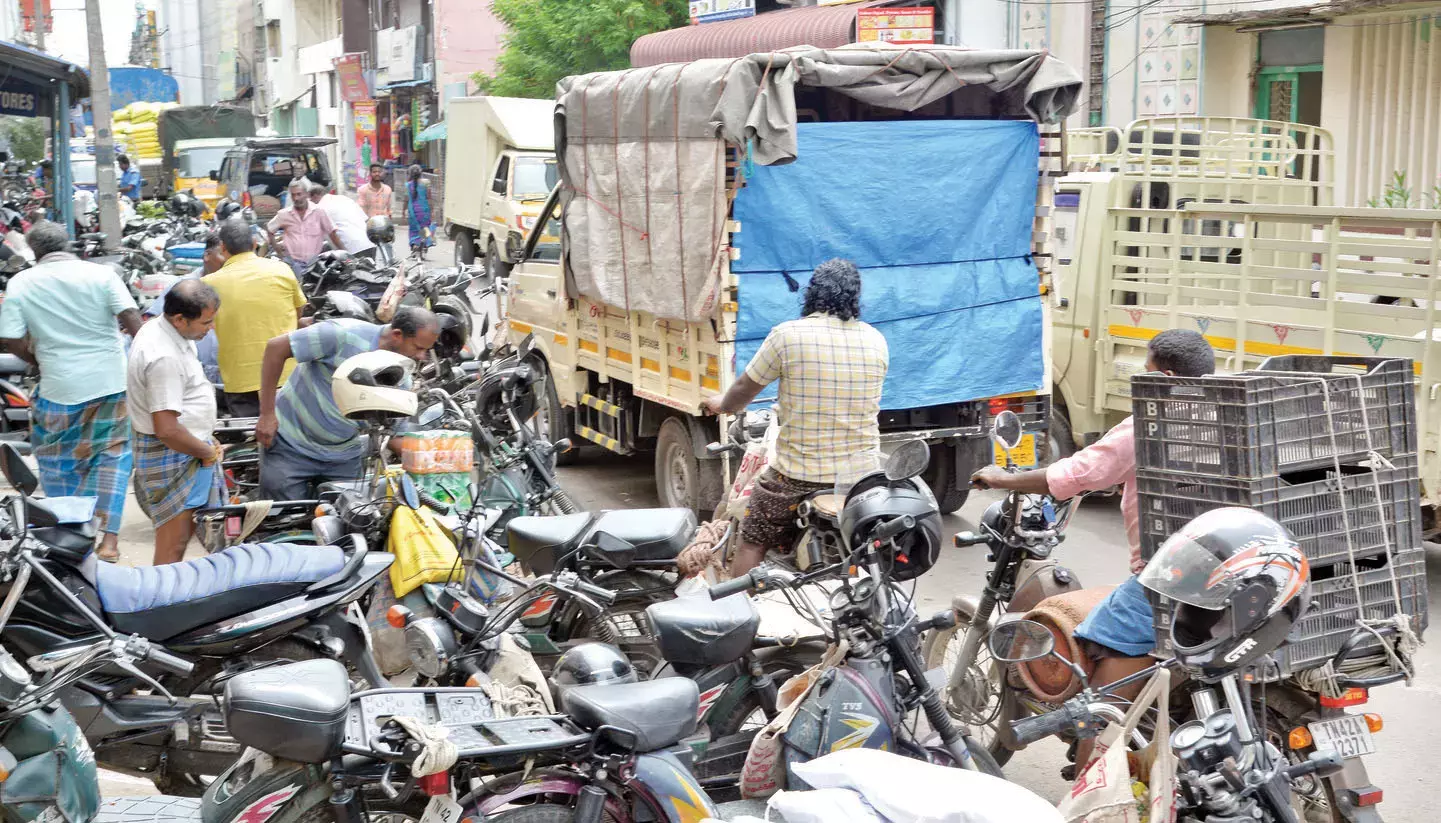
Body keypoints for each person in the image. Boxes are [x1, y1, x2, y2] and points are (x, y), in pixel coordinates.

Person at [971, 328, 1216, 763]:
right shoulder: (1228, 415)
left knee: (1102, 650)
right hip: (1235, 572)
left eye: (1147, 371)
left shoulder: (1150, 422)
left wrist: (1002, 478)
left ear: (1167, 375)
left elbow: (1078, 474)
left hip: (1171, 576)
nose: (1142, 380)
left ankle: (1092, 769)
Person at [703, 259, 888, 576]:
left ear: (812, 294)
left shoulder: (787, 336)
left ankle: (736, 612)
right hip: (860, 481)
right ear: (855, 297)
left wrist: (721, 404)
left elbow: (745, 388)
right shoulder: (876, 340)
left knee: (753, 537)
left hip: (796, 479)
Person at [0, 221, 142, 562]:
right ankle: (109, 541)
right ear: (70, 244)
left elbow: (9, 337)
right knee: (112, 459)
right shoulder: (102, 274)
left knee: (58, 462)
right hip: (111, 383)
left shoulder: (22, 282)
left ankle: (72, 536)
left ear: (35, 251)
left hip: (59, 385)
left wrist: (34, 359)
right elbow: (134, 322)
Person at [255, 306, 439, 500]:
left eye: (426, 350)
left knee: (350, 517)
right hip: (290, 445)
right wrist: (267, 414)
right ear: (397, 335)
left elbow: (393, 435)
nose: (421, 357)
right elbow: (276, 348)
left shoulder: (401, 377)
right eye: (418, 348)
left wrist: (431, 461)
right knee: (285, 519)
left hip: (343, 456)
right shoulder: (341, 334)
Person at [128, 280, 223, 565]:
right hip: (173, 453)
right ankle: (161, 602)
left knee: (184, 538)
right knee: (173, 544)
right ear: (180, 319)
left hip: (187, 447)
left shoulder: (166, 330)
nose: (211, 328)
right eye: (206, 322)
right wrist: (206, 453)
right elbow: (167, 429)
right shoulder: (163, 357)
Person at [204, 218, 307, 417]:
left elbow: (206, 327)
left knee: (251, 441)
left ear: (223, 248)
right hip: (285, 375)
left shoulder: (208, 284)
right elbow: (298, 314)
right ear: (253, 243)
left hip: (240, 381)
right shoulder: (282, 270)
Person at [267, 177, 341, 273]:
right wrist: (277, 249)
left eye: (299, 194)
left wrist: (343, 252)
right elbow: (269, 230)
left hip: (314, 264)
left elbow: (332, 233)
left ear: (306, 194)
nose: (296, 198)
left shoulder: (319, 212)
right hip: (292, 263)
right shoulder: (284, 214)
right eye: (293, 195)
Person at [309, 181, 376, 257]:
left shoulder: (321, 208)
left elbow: (332, 234)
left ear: (314, 196)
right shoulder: (343, 198)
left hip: (352, 248)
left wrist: (344, 253)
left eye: (309, 200)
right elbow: (365, 219)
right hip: (369, 244)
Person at [404, 164, 433, 258]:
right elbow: (429, 198)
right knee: (424, 228)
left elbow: (406, 199)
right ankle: (424, 245)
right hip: (424, 210)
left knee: (413, 229)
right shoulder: (426, 183)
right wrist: (432, 210)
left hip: (413, 211)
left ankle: (415, 245)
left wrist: (403, 211)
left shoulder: (407, 185)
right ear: (421, 173)